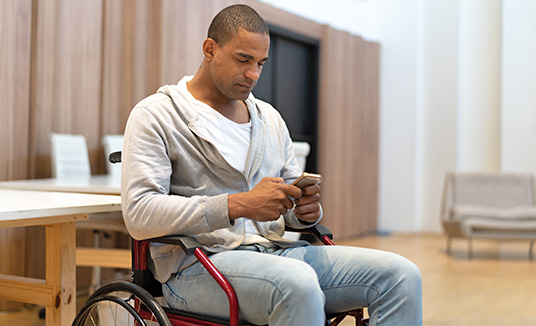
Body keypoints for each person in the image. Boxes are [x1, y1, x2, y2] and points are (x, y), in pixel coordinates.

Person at [121, 4, 422, 326]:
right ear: (210, 49)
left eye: (261, 63)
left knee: (401, 275)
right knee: (296, 282)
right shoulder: (157, 115)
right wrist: (237, 205)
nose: (253, 74)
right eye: (243, 60)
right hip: (197, 267)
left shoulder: (269, 119)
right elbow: (139, 214)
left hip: (277, 253)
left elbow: (289, 205)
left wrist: (304, 211)